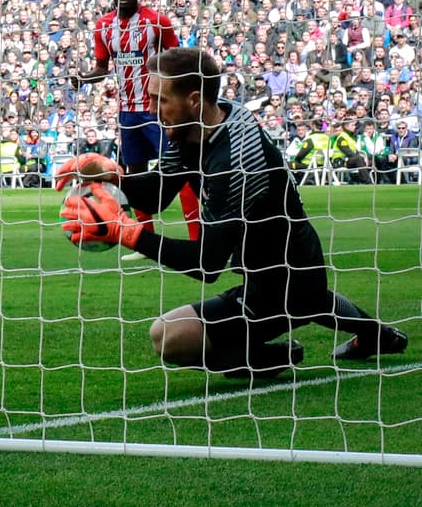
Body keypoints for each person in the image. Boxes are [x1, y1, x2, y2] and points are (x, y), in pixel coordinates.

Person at [57, 47, 407, 378]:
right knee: (314, 300)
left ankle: (273, 356)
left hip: (284, 280)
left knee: (169, 338)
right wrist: (112, 175)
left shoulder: (234, 160)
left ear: (194, 100)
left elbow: (207, 265)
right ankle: (376, 335)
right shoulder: (198, 126)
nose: (150, 109)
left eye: (160, 100)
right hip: (273, 272)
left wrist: (128, 234)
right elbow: (158, 194)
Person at [72, 0, 200, 259]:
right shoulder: (103, 26)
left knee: (180, 171)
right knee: (136, 173)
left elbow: (176, 59)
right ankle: (144, 241)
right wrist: (84, 79)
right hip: (127, 113)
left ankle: (197, 238)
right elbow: (102, 68)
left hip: (158, 110)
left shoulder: (156, 22)